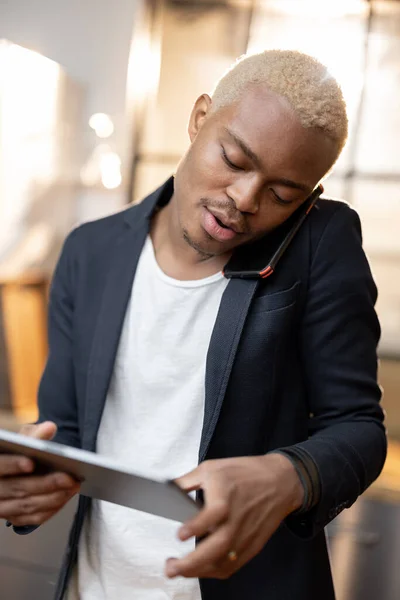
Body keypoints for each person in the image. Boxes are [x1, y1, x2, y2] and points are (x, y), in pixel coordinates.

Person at [0, 50, 386, 600]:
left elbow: (359, 428)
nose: (244, 200)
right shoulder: (92, 250)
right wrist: (28, 481)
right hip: (96, 585)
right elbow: (66, 430)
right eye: (233, 159)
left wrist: (286, 476)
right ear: (200, 118)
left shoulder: (319, 245)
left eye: (282, 195)